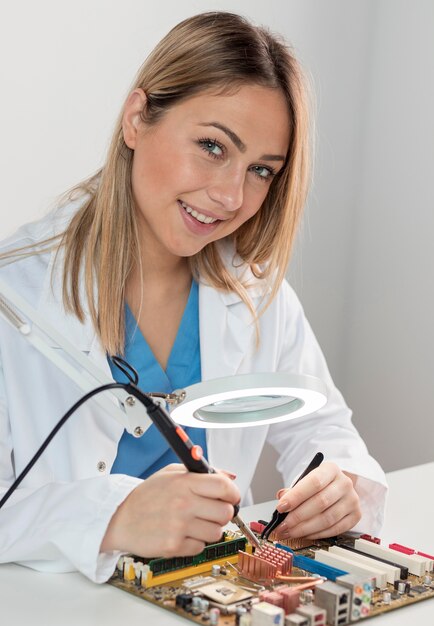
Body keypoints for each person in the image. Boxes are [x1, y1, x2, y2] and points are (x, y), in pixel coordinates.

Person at [0, 11, 387, 583]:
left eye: (261, 169)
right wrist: (113, 517)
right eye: (212, 145)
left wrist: (341, 486)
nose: (231, 195)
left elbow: (326, 432)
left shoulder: (256, 294)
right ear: (137, 119)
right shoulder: (17, 296)